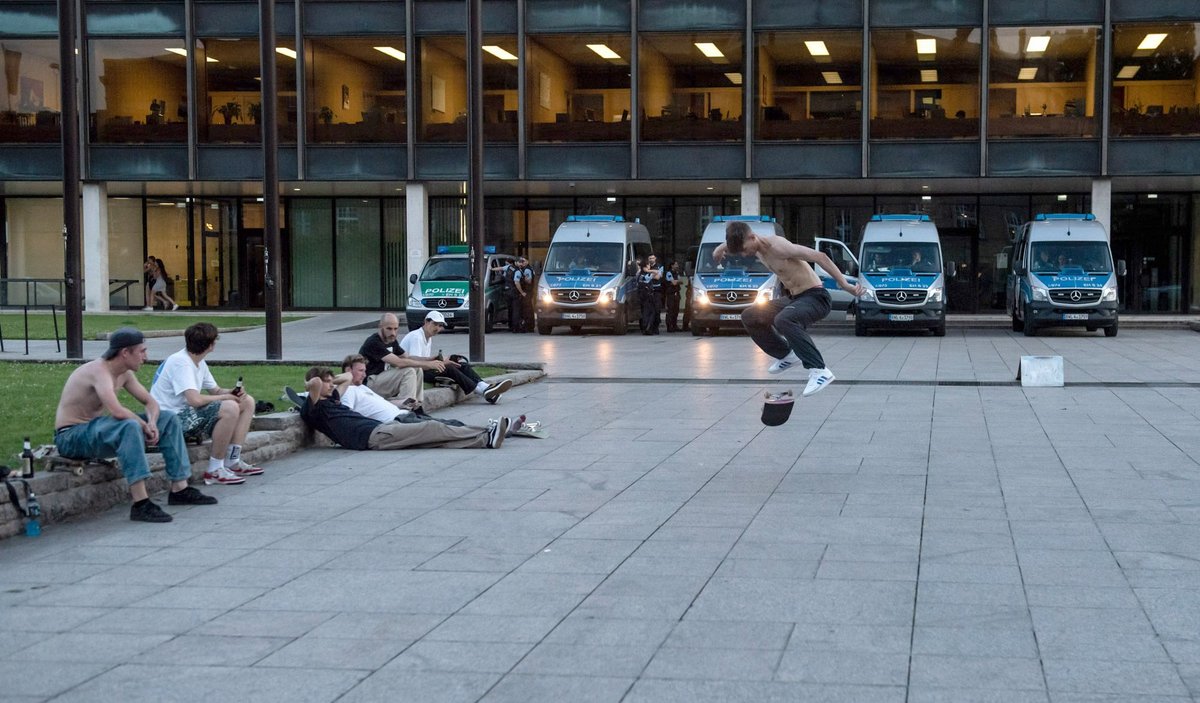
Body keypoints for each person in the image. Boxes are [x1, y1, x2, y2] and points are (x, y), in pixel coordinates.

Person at [53, 328, 218, 523]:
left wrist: (153, 422)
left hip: (96, 431)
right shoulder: (98, 371)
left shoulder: (124, 374)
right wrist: (143, 425)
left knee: (168, 419)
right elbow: (116, 410)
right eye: (142, 351)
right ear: (125, 353)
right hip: (71, 436)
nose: (145, 357)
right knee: (129, 426)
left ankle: (180, 489)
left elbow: (151, 403)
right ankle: (141, 503)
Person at [713, 221, 863, 397]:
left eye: (745, 250)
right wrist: (719, 249)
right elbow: (735, 240)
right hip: (795, 298)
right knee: (750, 316)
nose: (746, 255)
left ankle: (820, 370)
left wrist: (845, 285)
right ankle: (786, 355)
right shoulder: (752, 243)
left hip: (816, 297)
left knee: (783, 319)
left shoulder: (779, 247)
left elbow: (820, 257)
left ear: (752, 237)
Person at [150, 322, 265, 486]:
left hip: (185, 414)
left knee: (247, 401)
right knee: (230, 407)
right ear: (211, 345)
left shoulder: (198, 362)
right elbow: (194, 400)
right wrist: (226, 399)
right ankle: (214, 469)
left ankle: (232, 460)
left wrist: (232, 393)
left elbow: (216, 391)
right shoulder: (180, 362)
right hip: (170, 420)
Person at [298, 366, 509, 450]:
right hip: (372, 436)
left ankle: (486, 438)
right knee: (432, 428)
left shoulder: (332, 398)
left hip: (380, 430)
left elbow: (346, 377)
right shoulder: (313, 409)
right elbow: (315, 383)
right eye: (327, 382)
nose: (331, 384)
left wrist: (331, 380)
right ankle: (488, 434)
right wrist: (313, 384)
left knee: (437, 438)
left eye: (330, 381)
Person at [400, 311, 513, 403]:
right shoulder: (416, 337)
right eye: (435, 324)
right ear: (426, 322)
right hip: (414, 372)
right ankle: (483, 392)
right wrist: (436, 360)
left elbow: (424, 360)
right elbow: (413, 360)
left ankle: (485, 386)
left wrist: (443, 359)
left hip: (423, 368)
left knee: (461, 365)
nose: (437, 328)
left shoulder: (428, 338)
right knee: (450, 368)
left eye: (440, 326)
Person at [336, 354, 464, 426]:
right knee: (440, 427)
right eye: (360, 371)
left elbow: (382, 402)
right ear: (348, 371)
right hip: (397, 422)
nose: (364, 375)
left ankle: (477, 431)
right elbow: (347, 417)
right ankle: (479, 435)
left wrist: (403, 402)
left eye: (364, 371)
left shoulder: (362, 388)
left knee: (446, 423)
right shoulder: (348, 391)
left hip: (403, 415)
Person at [359, 313, 427, 408]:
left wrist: (432, 360)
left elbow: (408, 357)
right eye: (389, 329)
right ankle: (406, 407)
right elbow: (399, 362)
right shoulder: (373, 342)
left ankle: (417, 406)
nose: (393, 333)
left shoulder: (391, 340)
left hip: (384, 380)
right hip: (370, 383)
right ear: (380, 327)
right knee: (408, 371)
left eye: (396, 329)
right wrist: (429, 365)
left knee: (417, 369)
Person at [638, 254, 663, 335]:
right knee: (649, 311)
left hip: (653, 292)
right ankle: (647, 328)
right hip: (647, 294)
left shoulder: (641, 273)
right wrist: (650, 271)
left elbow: (658, 277)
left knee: (655, 310)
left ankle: (651, 328)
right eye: (649, 259)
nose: (651, 260)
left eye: (652, 258)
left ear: (655, 258)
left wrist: (647, 270)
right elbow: (656, 275)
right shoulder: (644, 274)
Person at [664, 261, 683, 332]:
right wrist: (677, 281)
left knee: (676, 310)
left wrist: (676, 281)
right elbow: (674, 283)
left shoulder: (677, 273)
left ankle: (675, 325)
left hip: (677, 294)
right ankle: (669, 326)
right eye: (676, 265)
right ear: (672, 265)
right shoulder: (669, 273)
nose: (677, 266)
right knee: (670, 311)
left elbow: (681, 281)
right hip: (671, 295)